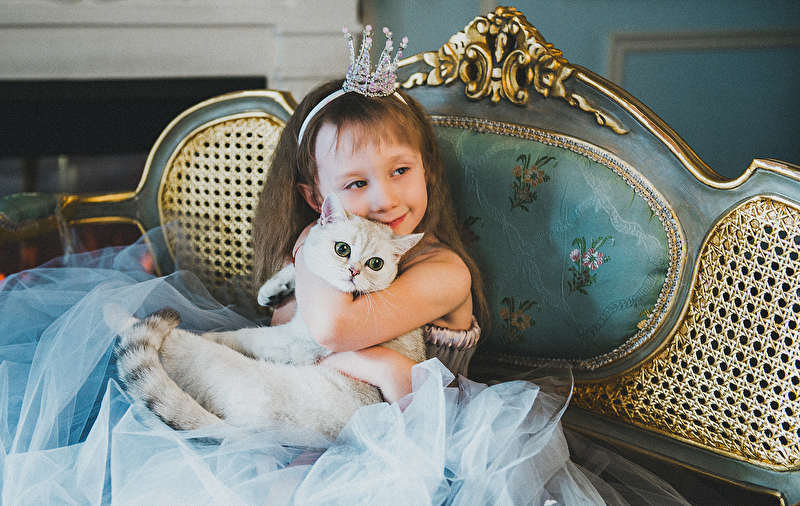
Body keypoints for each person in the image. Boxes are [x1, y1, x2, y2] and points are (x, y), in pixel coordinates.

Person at [249, 77, 487, 403]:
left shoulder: (446, 273)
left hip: (415, 423)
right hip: (313, 406)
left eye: (400, 170)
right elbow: (281, 326)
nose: (385, 201)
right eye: (357, 183)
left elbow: (330, 329)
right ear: (317, 199)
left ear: (427, 169)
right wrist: (382, 366)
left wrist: (309, 239)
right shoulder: (330, 251)